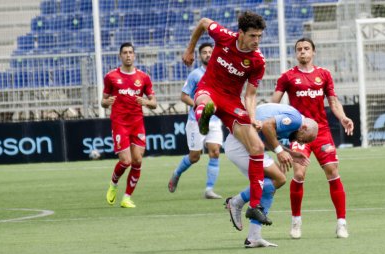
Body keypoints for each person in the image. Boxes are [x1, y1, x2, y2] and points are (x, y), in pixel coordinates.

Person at [182, 11, 269, 223]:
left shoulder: (257, 61)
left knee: (257, 147)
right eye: (252, 36)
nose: (257, 41)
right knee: (203, 99)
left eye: (259, 36)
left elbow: (250, 95)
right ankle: (203, 118)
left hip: (231, 102)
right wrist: (190, 49)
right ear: (241, 33)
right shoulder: (224, 36)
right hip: (210, 88)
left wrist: (252, 117)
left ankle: (255, 205)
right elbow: (203, 22)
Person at [271, 37, 354, 239]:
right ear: (296, 53)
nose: (302, 52)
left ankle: (341, 223)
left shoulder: (324, 75)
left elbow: (333, 102)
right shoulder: (288, 77)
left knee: (332, 171)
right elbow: (275, 103)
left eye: (306, 48)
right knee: (298, 174)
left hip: (322, 131)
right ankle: (296, 222)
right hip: (298, 131)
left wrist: (343, 118)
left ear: (313, 52)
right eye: (299, 49)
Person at [224, 103, 318, 248]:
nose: (300, 142)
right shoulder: (296, 121)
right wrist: (280, 151)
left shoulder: (292, 116)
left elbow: (266, 135)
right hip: (240, 145)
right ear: (304, 128)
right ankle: (236, 202)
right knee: (279, 178)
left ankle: (254, 237)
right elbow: (267, 126)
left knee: (270, 182)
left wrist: (290, 152)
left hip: (243, 143)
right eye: (304, 139)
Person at [102, 42, 157, 208]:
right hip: (120, 123)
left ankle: (126, 197)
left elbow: (154, 103)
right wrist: (107, 101)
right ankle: (113, 184)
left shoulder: (143, 77)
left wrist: (146, 102)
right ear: (120, 56)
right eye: (125, 52)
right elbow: (103, 102)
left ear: (134, 55)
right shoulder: (111, 76)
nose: (128, 55)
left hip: (137, 123)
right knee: (125, 161)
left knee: (137, 160)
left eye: (130, 52)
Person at [168, 43, 223, 199]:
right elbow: (184, 96)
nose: (207, 54)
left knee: (215, 152)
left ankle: (209, 190)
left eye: (210, 52)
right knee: (195, 156)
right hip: (196, 121)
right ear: (200, 56)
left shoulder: (220, 74)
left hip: (214, 120)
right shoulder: (195, 75)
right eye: (204, 52)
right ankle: (177, 173)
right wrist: (199, 105)